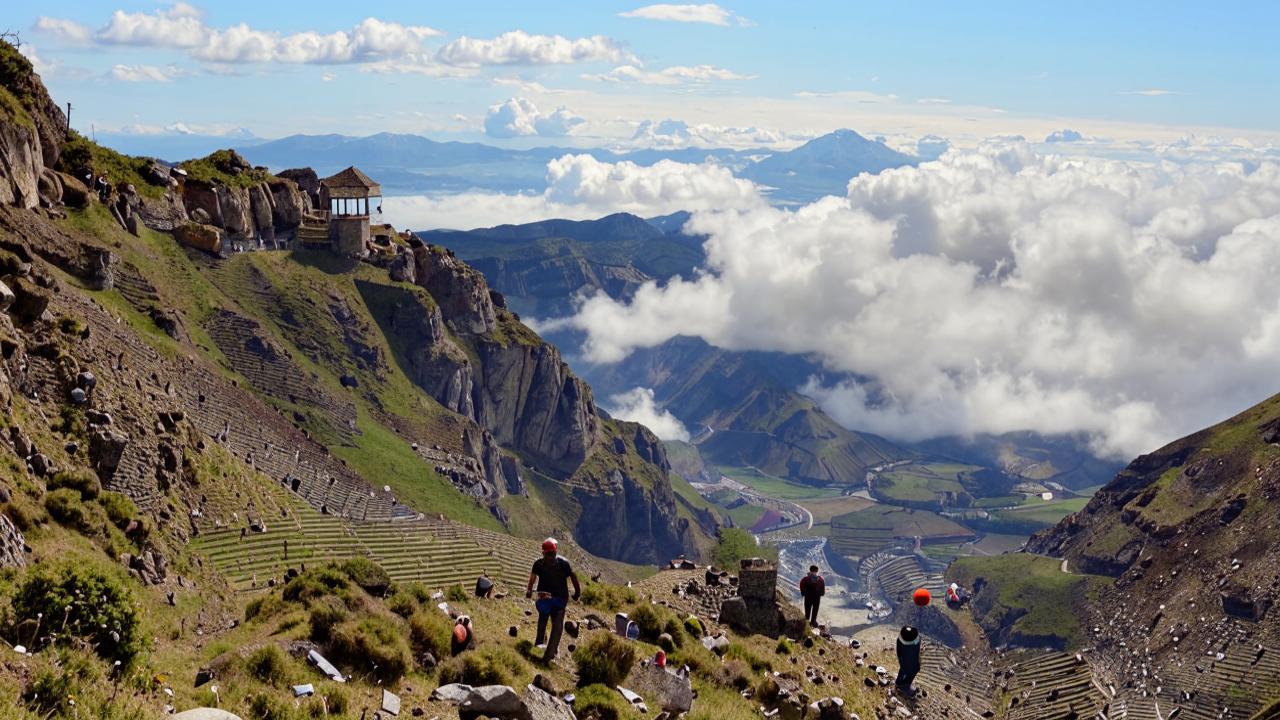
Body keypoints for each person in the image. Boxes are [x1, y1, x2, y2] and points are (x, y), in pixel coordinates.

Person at [525, 537, 580, 662]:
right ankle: (550, 652)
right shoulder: (562, 563)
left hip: (552, 600)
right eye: (548, 554)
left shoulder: (541, 563)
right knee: (555, 624)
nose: (550, 556)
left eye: (551, 554)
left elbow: (532, 579)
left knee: (546, 620)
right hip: (556, 599)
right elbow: (574, 578)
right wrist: (577, 593)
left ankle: (545, 648)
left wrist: (529, 590)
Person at [896, 625, 922, 697]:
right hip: (909, 662)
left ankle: (903, 684)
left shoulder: (900, 640)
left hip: (910, 662)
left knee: (908, 670)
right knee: (906, 671)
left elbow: (899, 652)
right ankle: (902, 685)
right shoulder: (916, 640)